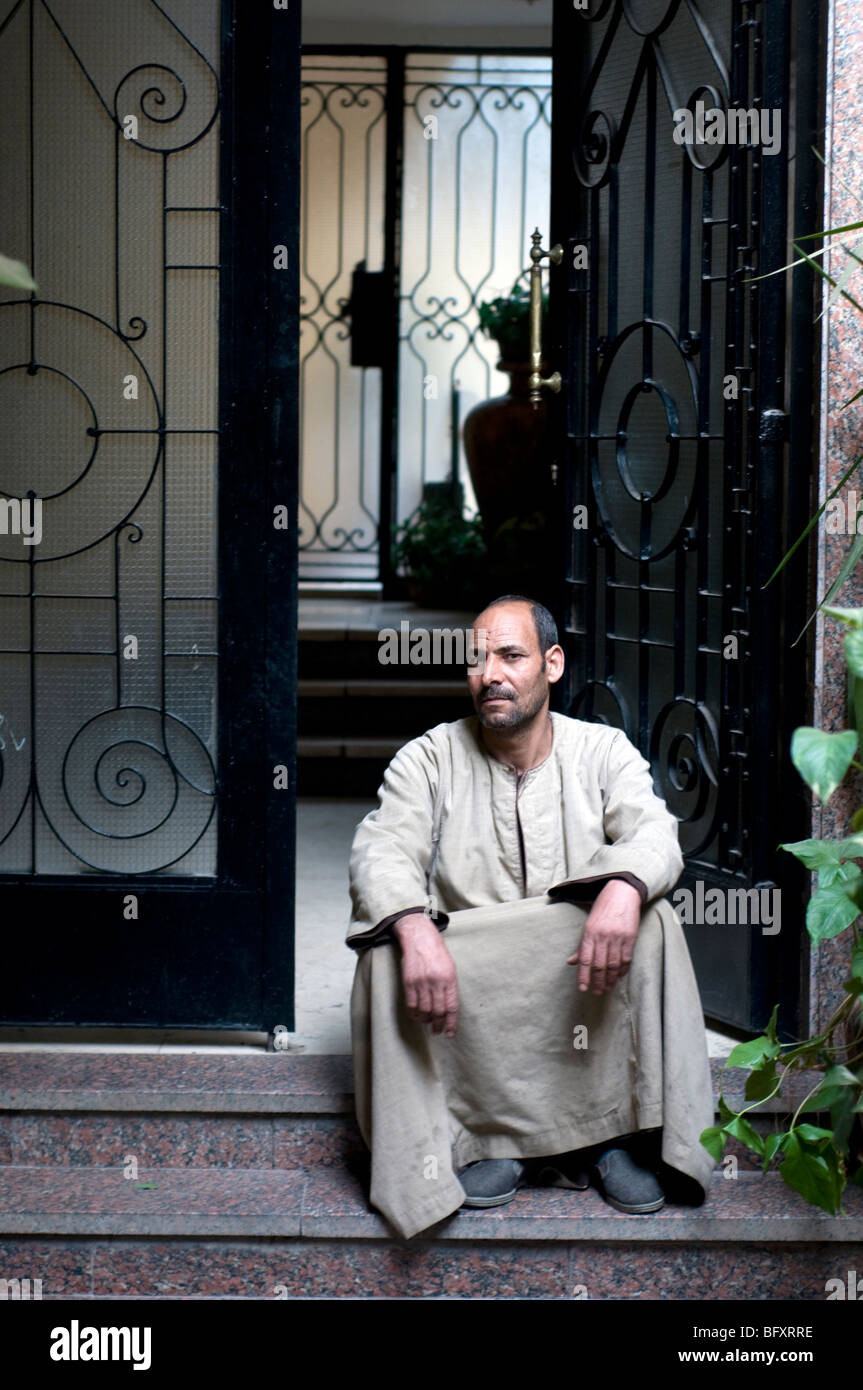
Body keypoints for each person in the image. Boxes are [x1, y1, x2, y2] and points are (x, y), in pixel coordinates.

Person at [347, 595, 715, 1240]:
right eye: (478, 659)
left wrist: (625, 888)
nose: (491, 673)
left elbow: (655, 830)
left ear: (552, 664)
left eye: (511, 656)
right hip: (477, 984)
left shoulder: (602, 750)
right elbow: (382, 850)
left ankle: (620, 1136)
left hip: (576, 976)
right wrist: (412, 926)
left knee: (656, 921)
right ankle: (481, 1144)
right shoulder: (428, 758)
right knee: (385, 951)